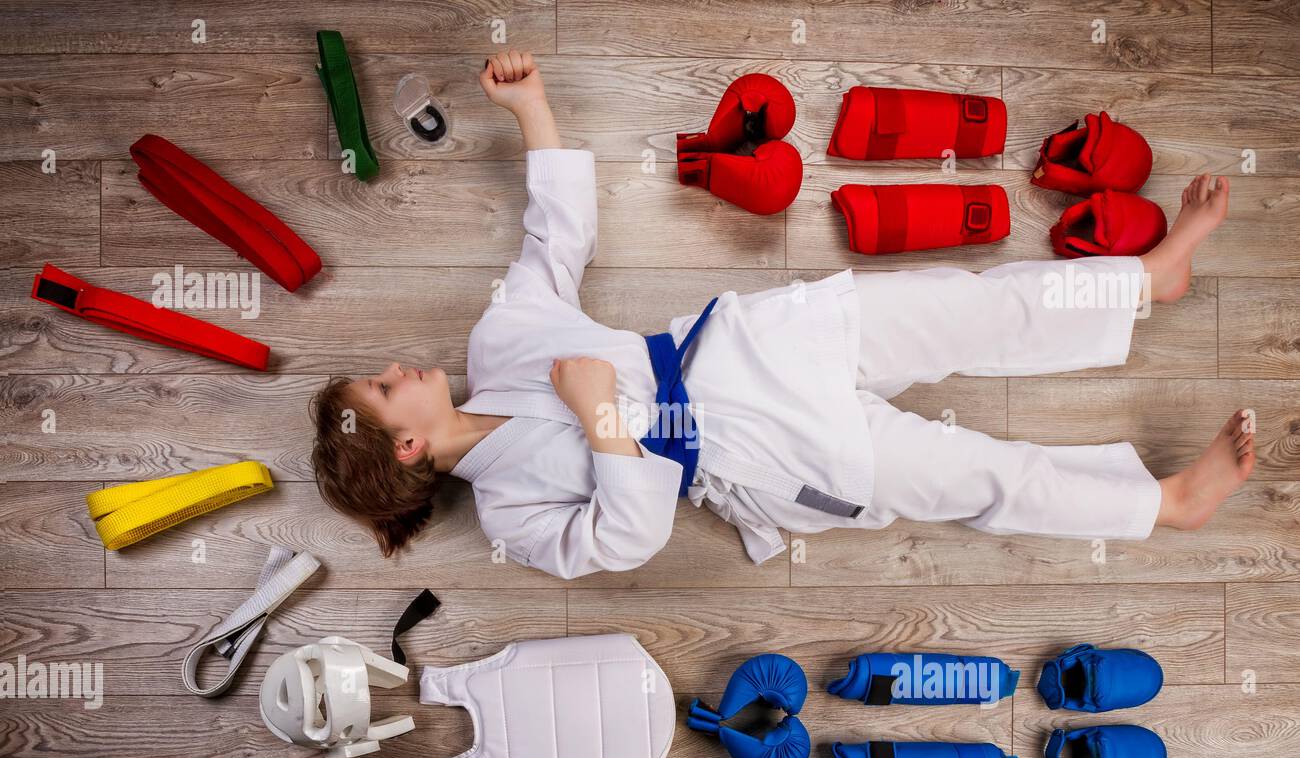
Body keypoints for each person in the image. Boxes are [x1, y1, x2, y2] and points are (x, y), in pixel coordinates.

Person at [311, 50, 1251, 579]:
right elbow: (627, 536)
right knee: (983, 474)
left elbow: (556, 239)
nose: (401, 368)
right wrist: (601, 418)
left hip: (752, 346)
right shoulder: (513, 514)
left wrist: (534, 110)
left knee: (981, 306)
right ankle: (1163, 504)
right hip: (774, 456)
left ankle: (1144, 280)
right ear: (402, 445)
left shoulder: (500, 340)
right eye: (387, 387)